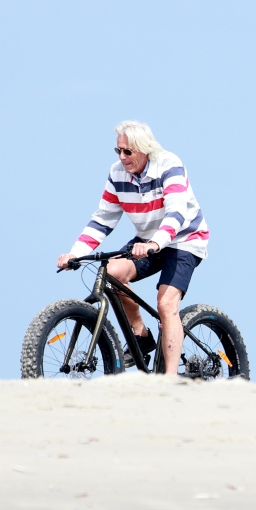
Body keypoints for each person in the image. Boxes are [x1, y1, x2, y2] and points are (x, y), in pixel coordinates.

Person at [57, 121, 209, 376]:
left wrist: (155, 244)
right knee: (112, 273)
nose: (122, 157)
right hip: (147, 240)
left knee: (166, 303)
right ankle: (141, 335)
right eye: (118, 151)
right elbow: (103, 219)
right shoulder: (117, 174)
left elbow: (176, 213)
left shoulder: (169, 165)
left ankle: (169, 379)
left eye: (128, 151)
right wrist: (76, 253)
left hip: (184, 239)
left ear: (144, 149)